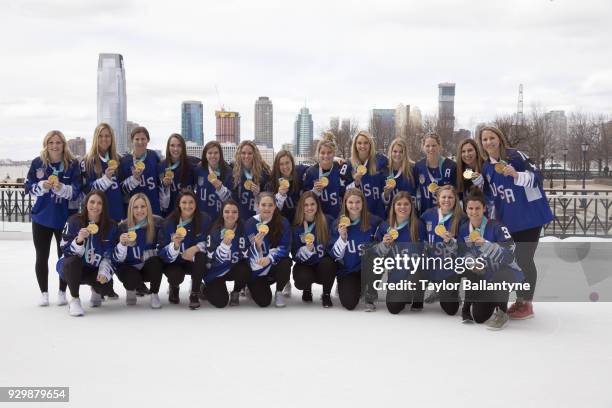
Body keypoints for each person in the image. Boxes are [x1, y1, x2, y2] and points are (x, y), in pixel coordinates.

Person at [477, 125, 553, 320]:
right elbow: (490, 195)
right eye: (484, 139)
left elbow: (538, 178)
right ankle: (519, 300)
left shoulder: (516, 156)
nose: (488, 142)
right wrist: (480, 186)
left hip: (529, 218)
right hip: (508, 221)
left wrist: (517, 175)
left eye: (492, 138)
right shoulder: (486, 166)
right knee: (514, 261)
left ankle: (526, 303)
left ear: (499, 139)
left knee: (524, 259)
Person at [25, 130, 82, 307]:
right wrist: (41, 185)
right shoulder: (37, 163)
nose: (54, 146)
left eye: (58, 142)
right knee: (41, 256)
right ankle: (44, 292)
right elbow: (28, 186)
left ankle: (62, 291)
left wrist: (60, 188)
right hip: (41, 217)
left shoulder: (72, 165)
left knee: (65, 256)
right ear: (46, 145)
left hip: (65, 219)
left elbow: (76, 191)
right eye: (51, 142)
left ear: (63, 145)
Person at [458, 187, 525, 330]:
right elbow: (463, 252)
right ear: (466, 209)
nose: (474, 212)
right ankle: (490, 300)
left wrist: (488, 245)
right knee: (479, 317)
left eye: (477, 208)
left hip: (506, 273)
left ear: (484, 209)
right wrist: (472, 262)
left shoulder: (497, 227)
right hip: (485, 276)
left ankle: (502, 312)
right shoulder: (464, 229)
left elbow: (510, 254)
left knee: (501, 276)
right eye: (470, 208)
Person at [57, 191, 118, 316]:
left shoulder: (111, 226)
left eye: (99, 203)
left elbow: (110, 254)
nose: (95, 206)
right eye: (92, 202)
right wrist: (78, 241)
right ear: (86, 204)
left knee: (106, 287)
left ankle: (96, 290)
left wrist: (104, 272)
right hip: (72, 266)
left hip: (93, 268)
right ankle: (74, 299)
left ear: (104, 206)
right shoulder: (74, 220)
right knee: (72, 262)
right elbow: (63, 247)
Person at [373, 192, 426, 314]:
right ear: (393, 206)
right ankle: (404, 293)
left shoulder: (418, 225)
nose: (403, 207)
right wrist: (384, 244)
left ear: (411, 207)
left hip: (412, 274)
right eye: (399, 204)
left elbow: (425, 252)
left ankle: (418, 296)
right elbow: (376, 254)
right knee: (393, 308)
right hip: (395, 276)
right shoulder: (384, 226)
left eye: (406, 204)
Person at [329, 188, 382, 311]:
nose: (354, 205)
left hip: (367, 269)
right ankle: (350, 286)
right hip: (348, 271)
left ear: (363, 203)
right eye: (350, 202)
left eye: (358, 202)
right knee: (349, 304)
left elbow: (385, 236)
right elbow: (335, 255)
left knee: (378, 260)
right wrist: (342, 238)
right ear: (345, 204)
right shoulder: (338, 224)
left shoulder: (374, 221)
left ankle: (370, 292)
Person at [158, 190, 211, 309]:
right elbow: (161, 252)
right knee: (175, 275)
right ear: (179, 204)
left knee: (201, 256)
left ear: (196, 204)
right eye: (184, 202)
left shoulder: (204, 219)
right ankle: (174, 287)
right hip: (174, 263)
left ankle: (195, 293)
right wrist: (174, 246)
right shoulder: (168, 223)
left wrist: (196, 248)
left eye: (191, 202)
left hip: (192, 261)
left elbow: (211, 241)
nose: (188, 206)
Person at [113, 193, 164, 308]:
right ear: (131, 209)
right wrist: (122, 244)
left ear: (148, 208)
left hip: (146, 265)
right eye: (135, 207)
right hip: (129, 267)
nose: (139, 210)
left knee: (156, 262)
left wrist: (148, 254)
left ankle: (154, 293)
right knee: (131, 278)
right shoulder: (122, 227)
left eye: (143, 206)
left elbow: (162, 249)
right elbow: (116, 259)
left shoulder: (157, 223)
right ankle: (130, 289)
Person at [420, 185, 465, 315]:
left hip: (449, 267)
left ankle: (446, 290)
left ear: (455, 199)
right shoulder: (428, 214)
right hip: (430, 264)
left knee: (451, 310)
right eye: (443, 197)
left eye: (450, 197)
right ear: (438, 199)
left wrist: (452, 241)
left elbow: (464, 248)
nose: (447, 200)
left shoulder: (461, 219)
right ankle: (419, 298)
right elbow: (418, 232)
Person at [244, 192, 292, 307]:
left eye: (270, 205)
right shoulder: (249, 223)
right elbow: (244, 250)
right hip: (256, 269)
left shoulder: (283, 222)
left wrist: (269, 258)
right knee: (264, 302)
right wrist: (256, 248)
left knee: (286, 262)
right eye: (263, 205)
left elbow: (285, 247)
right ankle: (250, 285)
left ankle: (279, 291)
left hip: (272, 266)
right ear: (257, 206)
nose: (267, 208)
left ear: (275, 206)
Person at [291, 192, 336, 307]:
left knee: (329, 263)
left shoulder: (328, 220)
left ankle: (326, 294)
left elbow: (333, 247)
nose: (309, 207)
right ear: (301, 206)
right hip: (305, 265)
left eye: (312, 204)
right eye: (306, 205)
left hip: (322, 265)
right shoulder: (296, 226)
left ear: (317, 205)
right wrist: (306, 250)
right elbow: (295, 255)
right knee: (302, 278)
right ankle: (307, 289)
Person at [203, 200, 250, 307]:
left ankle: (236, 291)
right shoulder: (214, 231)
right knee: (221, 303)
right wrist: (224, 246)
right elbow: (212, 260)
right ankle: (203, 289)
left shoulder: (244, 228)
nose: (230, 214)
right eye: (227, 211)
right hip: (216, 272)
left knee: (244, 269)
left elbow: (247, 253)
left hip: (233, 268)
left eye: (234, 212)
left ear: (238, 214)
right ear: (222, 213)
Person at [82, 123, 124, 222]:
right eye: (100, 136)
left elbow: (122, 188)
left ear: (112, 138)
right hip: (97, 215)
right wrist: (106, 178)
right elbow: (87, 190)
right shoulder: (87, 161)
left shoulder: (119, 159)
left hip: (116, 214)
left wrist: (135, 178)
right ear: (95, 138)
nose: (104, 139)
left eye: (107, 136)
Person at [303, 133, 351, 219]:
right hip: (318, 219)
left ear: (334, 154)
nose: (326, 156)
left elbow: (347, 193)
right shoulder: (311, 172)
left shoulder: (340, 168)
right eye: (322, 153)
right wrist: (314, 191)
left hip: (337, 217)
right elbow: (305, 198)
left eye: (329, 152)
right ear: (318, 153)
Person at [119, 126, 161, 216]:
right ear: (132, 141)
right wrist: (134, 179)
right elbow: (122, 189)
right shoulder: (125, 160)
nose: (140, 142)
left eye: (143, 139)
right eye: (137, 139)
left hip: (153, 207)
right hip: (134, 210)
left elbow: (160, 181)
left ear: (148, 140)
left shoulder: (153, 156)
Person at [346, 130, 387, 219]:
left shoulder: (380, 160)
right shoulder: (349, 164)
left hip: (377, 212)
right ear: (355, 145)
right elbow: (344, 192)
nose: (363, 146)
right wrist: (356, 183)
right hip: (357, 214)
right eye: (359, 143)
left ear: (370, 144)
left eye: (366, 143)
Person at [414, 133, 457, 214]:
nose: (431, 148)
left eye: (434, 145)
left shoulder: (451, 166)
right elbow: (416, 191)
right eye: (427, 146)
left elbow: (457, 191)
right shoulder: (419, 166)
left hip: (447, 214)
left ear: (440, 146)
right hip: (425, 213)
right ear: (423, 147)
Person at [231, 141, 271, 220]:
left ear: (254, 155)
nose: (246, 156)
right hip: (240, 217)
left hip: (257, 216)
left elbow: (269, 197)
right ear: (239, 154)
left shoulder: (264, 172)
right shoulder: (233, 170)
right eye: (243, 153)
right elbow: (232, 197)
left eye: (250, 153)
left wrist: (259, 193)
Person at [194, 141, 232, 220]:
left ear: (220, 154)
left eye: (216, 153)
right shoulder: (199, 169)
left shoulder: (228, 171)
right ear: (205, 155)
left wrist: (220, 188)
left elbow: (230, 199)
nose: (213, 156)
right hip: (202, 216)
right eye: (210, 153)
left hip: (220, 217)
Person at [159, 134, 196, 216]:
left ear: (183, 148)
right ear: (168, 147)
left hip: (188, 212)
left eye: (179, 145)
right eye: (172, 145)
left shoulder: (191, 165)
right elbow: (158, 191)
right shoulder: (161, 166)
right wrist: (164, 185)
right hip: (168, 213)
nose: (175, 149)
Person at [268, 149, 307, 223]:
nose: (285, 167)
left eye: (287, 163)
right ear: (277, 166)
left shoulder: (299, 172)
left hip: (300, 222)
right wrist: (280, 196)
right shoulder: (272, 183)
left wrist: (335, 160)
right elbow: (271, 209)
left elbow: (314, 168)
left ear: (292, 163)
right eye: (281, 164)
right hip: (282, 223)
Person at [382, 138, 416, 217]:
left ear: (405, 153)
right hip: (390, 215)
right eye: (395, 151)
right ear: (391, 152)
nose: (398, 154)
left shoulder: (412, 170)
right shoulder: (384, 170)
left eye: (401, 152)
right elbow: (382, 199)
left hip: (408, 214)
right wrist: (386, 194)